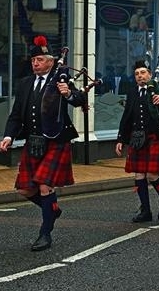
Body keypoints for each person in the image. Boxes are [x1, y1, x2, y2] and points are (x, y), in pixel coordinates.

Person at [0, 35, 86, 251]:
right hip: (33, 141)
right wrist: (9, 136)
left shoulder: (61, 79)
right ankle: (52, 209)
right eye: (33, 60)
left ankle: (45, 233)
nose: (35, 63)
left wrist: (68, 94)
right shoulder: (25, 83)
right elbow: (16, 115)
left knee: (45, 186)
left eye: (39, 60)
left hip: (55, 141)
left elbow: (79, 100)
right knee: (25, 190)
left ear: (50, 61)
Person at [115, 60, 159, 222]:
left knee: (152, 174)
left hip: (155, 137)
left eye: (143, 73)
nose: (140, 76)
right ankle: (146, 210)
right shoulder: (133, 92)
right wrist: (121, 138)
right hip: (137, 138)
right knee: (139, 174)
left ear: (149, 74)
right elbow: (127, 116)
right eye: (136, 74)